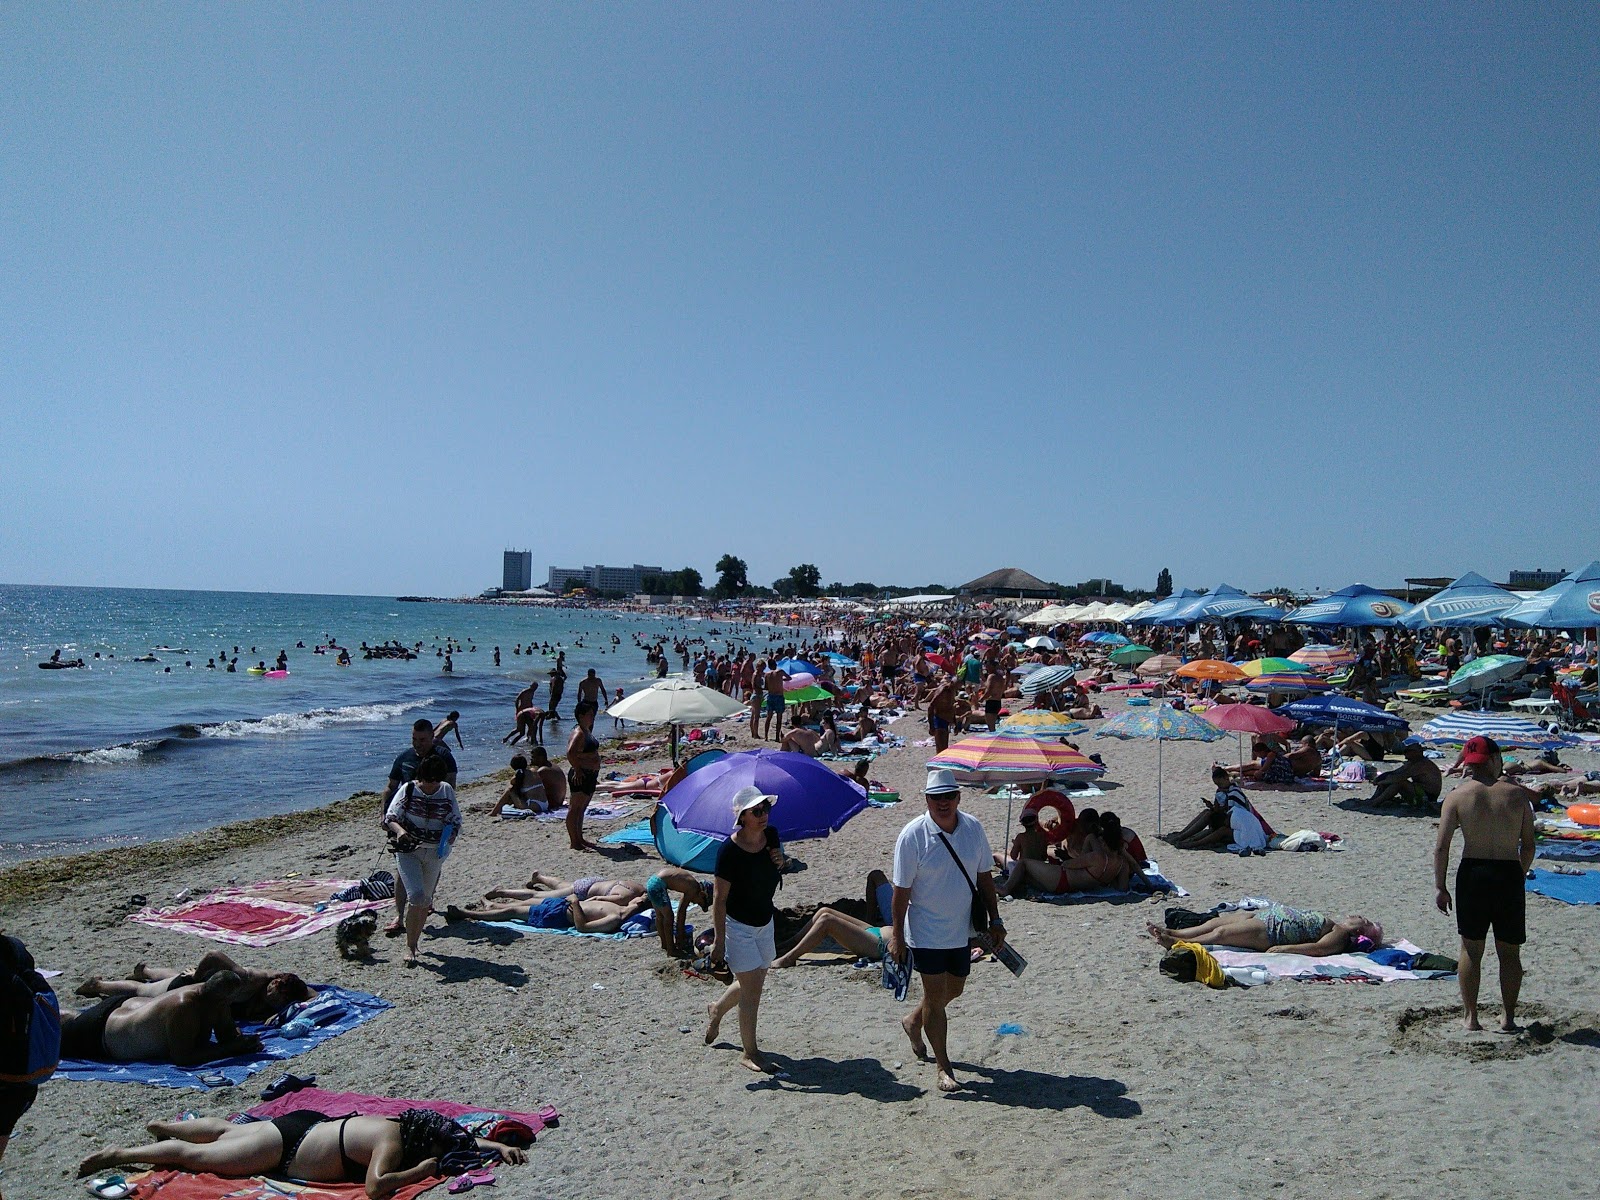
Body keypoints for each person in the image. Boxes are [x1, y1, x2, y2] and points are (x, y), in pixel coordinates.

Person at [77, 1107, 526, 1196]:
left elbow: (453, 1136)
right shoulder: (390, 1142)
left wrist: (494, 1146)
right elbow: (376, 1189)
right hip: (287, 1148)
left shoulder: (401, 1125)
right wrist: (420, 1172)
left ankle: (166, 1124)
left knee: (229, 1133)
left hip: (304, 1126)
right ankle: (119, 1153)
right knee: (198, 1157)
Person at [889, 768, 1003, 1093]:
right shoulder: (912, 836)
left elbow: (984, 878)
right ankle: (943, 1066)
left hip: (961, 929)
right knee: (936, 999)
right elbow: (901, 890)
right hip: (925, 932)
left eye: (948, 797)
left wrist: (995, 919)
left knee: (954, 990)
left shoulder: (973, 829)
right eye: (936, 798)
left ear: (958, 797)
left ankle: (913, 1021)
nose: (943, 803)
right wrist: (897, 935)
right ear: (926, 800)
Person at [1433, 735, 1537, 1032]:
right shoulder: (1517, 796)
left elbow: (1442, 847)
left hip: (1473, 873)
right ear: (1494, 760)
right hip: (1507, 874)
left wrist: (1440, 887)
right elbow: (1528, 845)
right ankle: (1508, 1017)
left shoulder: (1457, 796)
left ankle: (1471, 1017)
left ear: (1468, 762)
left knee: (1470, 950)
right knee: (1509, 952)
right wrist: (1519, 873)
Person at [704, 787, 784, 1075]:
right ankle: (749, 1053)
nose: (764, 816)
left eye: (765, 809)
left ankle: (717, 1009)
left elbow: (779, 865)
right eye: (757, 811)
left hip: (765, 921)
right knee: (753, 991)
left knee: (756, 979)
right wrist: (719, 940)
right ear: (743, 816)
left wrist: (782, 862)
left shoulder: (771, 836)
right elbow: (719, 898)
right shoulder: (729, 851)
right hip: (738, 927)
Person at [59, 972, 261, 1065]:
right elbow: (183, 1057)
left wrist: (241, 1041)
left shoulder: (215, 999)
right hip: (103, 1033)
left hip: (127, 1010)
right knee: (59, 1033)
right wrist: (232, 1049)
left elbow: (227, 1035)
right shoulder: (185, 1007)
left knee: (74, 1019)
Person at [382, 754, 462, 967]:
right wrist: (400, 832)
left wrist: (452, 834)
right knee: (416, 896)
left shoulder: (446, 790)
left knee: (425, 901)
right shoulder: (409, 788)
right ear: (421, 777)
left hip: (436, 852)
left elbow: (456, 820)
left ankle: (415, 943)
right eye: (427, 781)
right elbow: (390, 817)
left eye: (435, 781)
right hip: (409, 851)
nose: (431, 785)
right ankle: (409, 946)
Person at [380, 720, 457, 938]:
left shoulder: (444, 757)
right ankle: (400, 914)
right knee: (401, 870)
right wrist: (384, 814)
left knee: (431, 866)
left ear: (432, 737)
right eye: (414, 739)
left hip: (434, 828)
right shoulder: (404, 758)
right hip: (403, 822)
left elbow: (452, 788)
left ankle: (426, 903)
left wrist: (447, 827)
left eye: (422, 740)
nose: (417, 744)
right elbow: (389, 787)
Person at [75, 952, 312, 1022]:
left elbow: (311, 995)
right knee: (142, 992)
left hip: (209, 987)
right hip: (197, 986)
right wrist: (197, 979)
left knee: (171, 978)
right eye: (276, 989)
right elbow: (214, 955)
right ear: (273, 982)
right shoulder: (250, 979)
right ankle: (100, 985)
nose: (275, 997)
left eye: (281, 998)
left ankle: (145, 970)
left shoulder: (277, 1001)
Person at [1145, 907, 1383, 955]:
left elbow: (1319, 948)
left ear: (1360, 930)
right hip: (1269, 917)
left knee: (1221, 935)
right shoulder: (1336, 926)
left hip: (1273, 931)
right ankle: (1172, 932)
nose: (1357, 915)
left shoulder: (1340, 935)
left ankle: (1175, 944)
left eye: (1363, 918)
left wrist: (1285, 948)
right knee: (1215, 923)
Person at [446, 891, 649, 933]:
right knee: (521, 907)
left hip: (559, 915)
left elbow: (583, 927)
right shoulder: (621, 907)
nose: (637, 895)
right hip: (562, 905)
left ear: (640, 904)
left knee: (514, 911)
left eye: (641, 897)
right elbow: (595, 902)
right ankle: (491, 906)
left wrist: (576, 904)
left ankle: (465, 914)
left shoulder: (616, 917)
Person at [646, 868, 714, 957]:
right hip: (657, 885)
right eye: (699, 902)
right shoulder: (693, 888)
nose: (694, 903)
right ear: (701, 894)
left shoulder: (691, 884)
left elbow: (681, 910)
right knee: (669, 917)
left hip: (652, 882)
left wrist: (679, 932)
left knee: (660, 917)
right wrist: (680, 934)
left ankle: (665, 944)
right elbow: (682, 911)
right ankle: (671, 950)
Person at [564, 701, 603, 851]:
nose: (592, 717)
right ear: (581, 716)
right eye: (590, 715)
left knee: (581, 809)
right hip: (581, 775)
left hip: (590, 774)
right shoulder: (579, 732)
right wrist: (578, 769)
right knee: (575, 808)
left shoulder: (587, 731)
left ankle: (580, 838)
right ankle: (574, 841)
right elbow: (570, 752)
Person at [1370, 742, 1444, 809]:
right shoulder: (1412, 762)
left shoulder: (1423, 764)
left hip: (1428, 796)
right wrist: (1380, 778)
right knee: (1387, 779)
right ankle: (1374, 799)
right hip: (1418, 791)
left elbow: (1400, 777)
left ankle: (1376, 802)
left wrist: (1382, 781)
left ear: (1416, 752)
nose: (1405, 753)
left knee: (1400, 783)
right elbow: (1395, 773)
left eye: (1407, 751)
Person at [762, 663, 787, 741]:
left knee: (768, 717)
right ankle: (777, 737)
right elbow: (789, 678)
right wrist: (781, 680)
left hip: (771, 696)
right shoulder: (780, 672)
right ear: (776, 665)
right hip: (779, 696)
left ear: (769, 667)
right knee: (779, 718)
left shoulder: (766, 674)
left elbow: (765, 687)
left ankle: (766, 736)